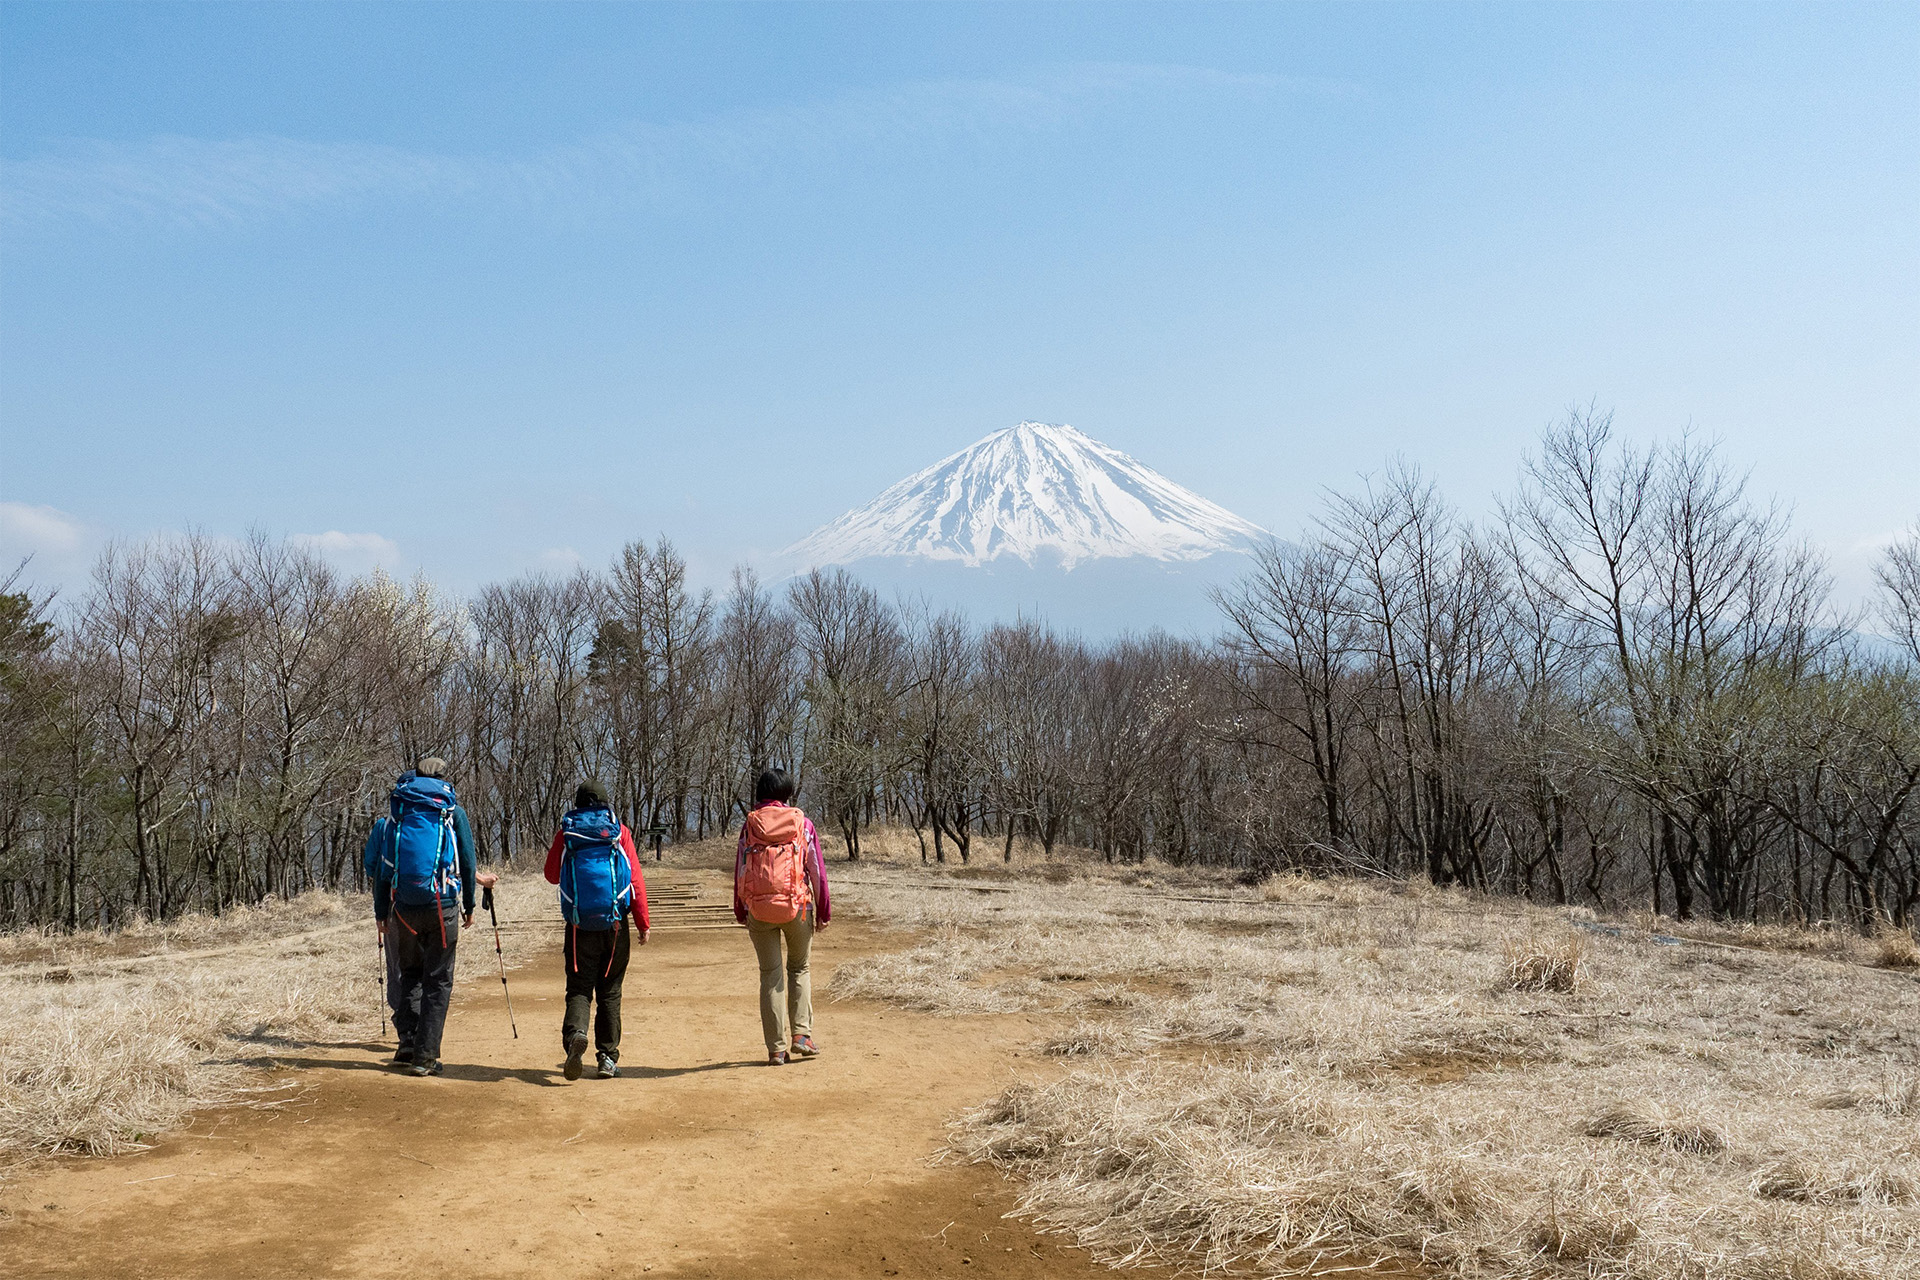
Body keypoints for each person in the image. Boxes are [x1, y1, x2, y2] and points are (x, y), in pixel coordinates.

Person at [366, 757, 493, 1077]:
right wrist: (469, 903)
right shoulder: (452, 812)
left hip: (404, 908)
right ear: (442, 778)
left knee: (408, 973)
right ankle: (426, 1055)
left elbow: (382, 870)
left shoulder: (398, 814)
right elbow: (467, 861)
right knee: (438, 979)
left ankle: (408, 1041)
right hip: (443, 907)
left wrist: (381, 912)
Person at [543, 780, 650, 1080]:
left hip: (579, 926)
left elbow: (551, 875)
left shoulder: (568, 832)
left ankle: (576, 1035)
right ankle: (607, 1059)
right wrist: (643, 923)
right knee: (610, 992)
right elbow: (636, 882)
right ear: (606, 804)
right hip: (615, 925)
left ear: (577, 804)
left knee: (579, 989)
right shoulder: (619, 832)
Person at [733, 767, 830, 1066]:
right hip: (798, 907)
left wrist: (741, 908)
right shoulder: (803, 824)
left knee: (770, 975)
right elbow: (817, 871)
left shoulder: (750, 825)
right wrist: (823, 911)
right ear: (787, 793)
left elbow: (740, 870)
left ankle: (776, 1050)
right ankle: (802, 1035)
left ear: (760, 793)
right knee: (799, 969)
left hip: (759, 910)